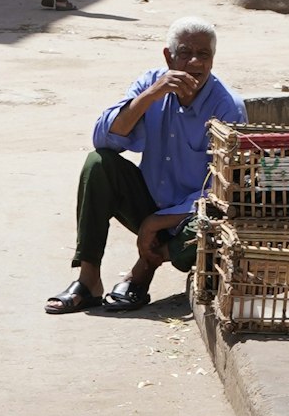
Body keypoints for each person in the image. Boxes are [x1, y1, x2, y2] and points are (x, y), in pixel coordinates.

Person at [45, 17, 245, 313]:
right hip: (148, 200)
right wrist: (151, 96)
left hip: (190, 214)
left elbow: (223, 189)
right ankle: (88, 281)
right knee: (98, 164)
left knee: (210, 228)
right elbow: (104, 139)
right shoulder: (150, 84)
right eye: (185, 53)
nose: (194, 62)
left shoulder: (228, 107)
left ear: (212, 61)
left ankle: (141, 272)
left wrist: (159, 221)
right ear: (168, 57)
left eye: (203, 55)